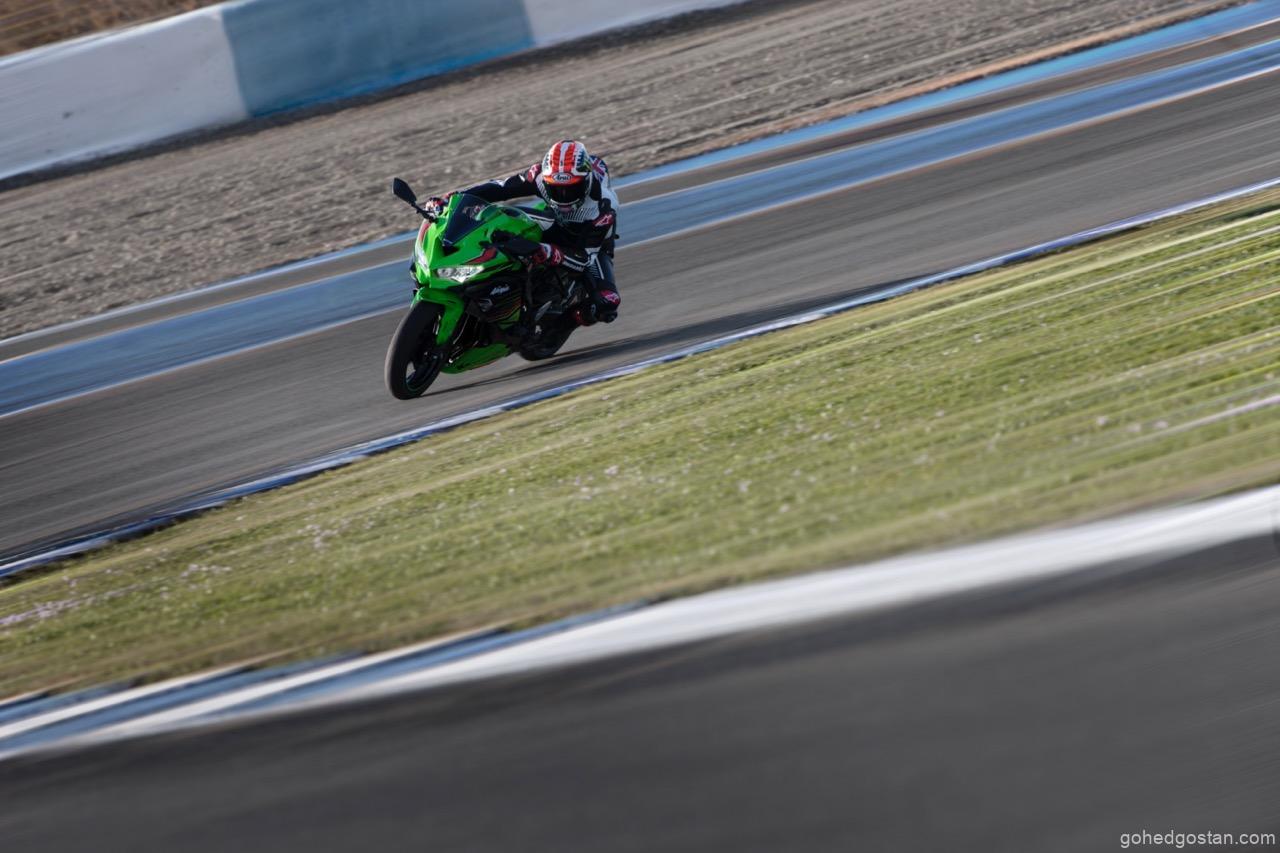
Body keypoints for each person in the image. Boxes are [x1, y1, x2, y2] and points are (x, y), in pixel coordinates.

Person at [426, 140, 621, 325]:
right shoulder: (538, 176)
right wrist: (455, 198)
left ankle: (561, 324)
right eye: (555, 189)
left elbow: (584, 258)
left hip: (589, 244)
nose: (563, 196)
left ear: (586, 182)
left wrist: (550, 252)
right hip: (553, 221)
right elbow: (500, 188)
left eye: (572, 189)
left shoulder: (603, 208)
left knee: (607, 303)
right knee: (502, 218)